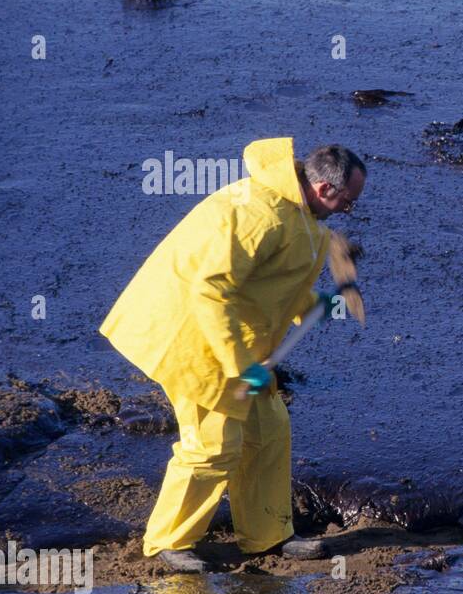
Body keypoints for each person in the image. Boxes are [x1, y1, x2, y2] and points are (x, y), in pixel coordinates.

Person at [99, 137, 366, 572]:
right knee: (212, 444)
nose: (347, 213)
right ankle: (169, 541)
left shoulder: (300, 212)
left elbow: (274, 280)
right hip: (192, 335)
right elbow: (210, 291)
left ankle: (267, 535)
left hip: (233, 338)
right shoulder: (255, 215)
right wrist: (241, 367)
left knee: (270, 430)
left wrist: (312, 305)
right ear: (324, 191)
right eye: (348, 204)